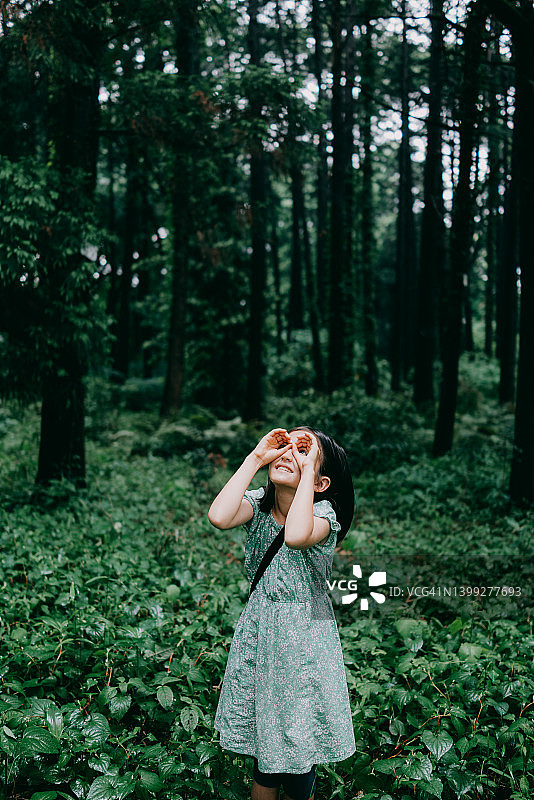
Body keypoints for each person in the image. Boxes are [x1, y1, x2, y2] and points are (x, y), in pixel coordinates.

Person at [208, 426, 356, 800]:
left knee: (297, 743)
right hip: (263, 632)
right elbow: (219, 516)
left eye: (304, 451)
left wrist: (305, 474)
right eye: (287, 446)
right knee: (266, 747)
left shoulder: (324, 516)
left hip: (303, 641)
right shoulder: (259, 505)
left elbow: (295, 534)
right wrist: (257, 457)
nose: (291, 453)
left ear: (320, 482)